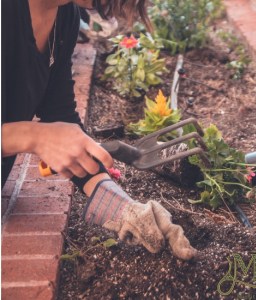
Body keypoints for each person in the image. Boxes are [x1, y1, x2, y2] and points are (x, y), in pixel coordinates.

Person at [1, 0, 197, 260]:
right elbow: (45, 132)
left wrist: (125, 208)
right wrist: (33, 136)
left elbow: (60, 115)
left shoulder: (64, 17)